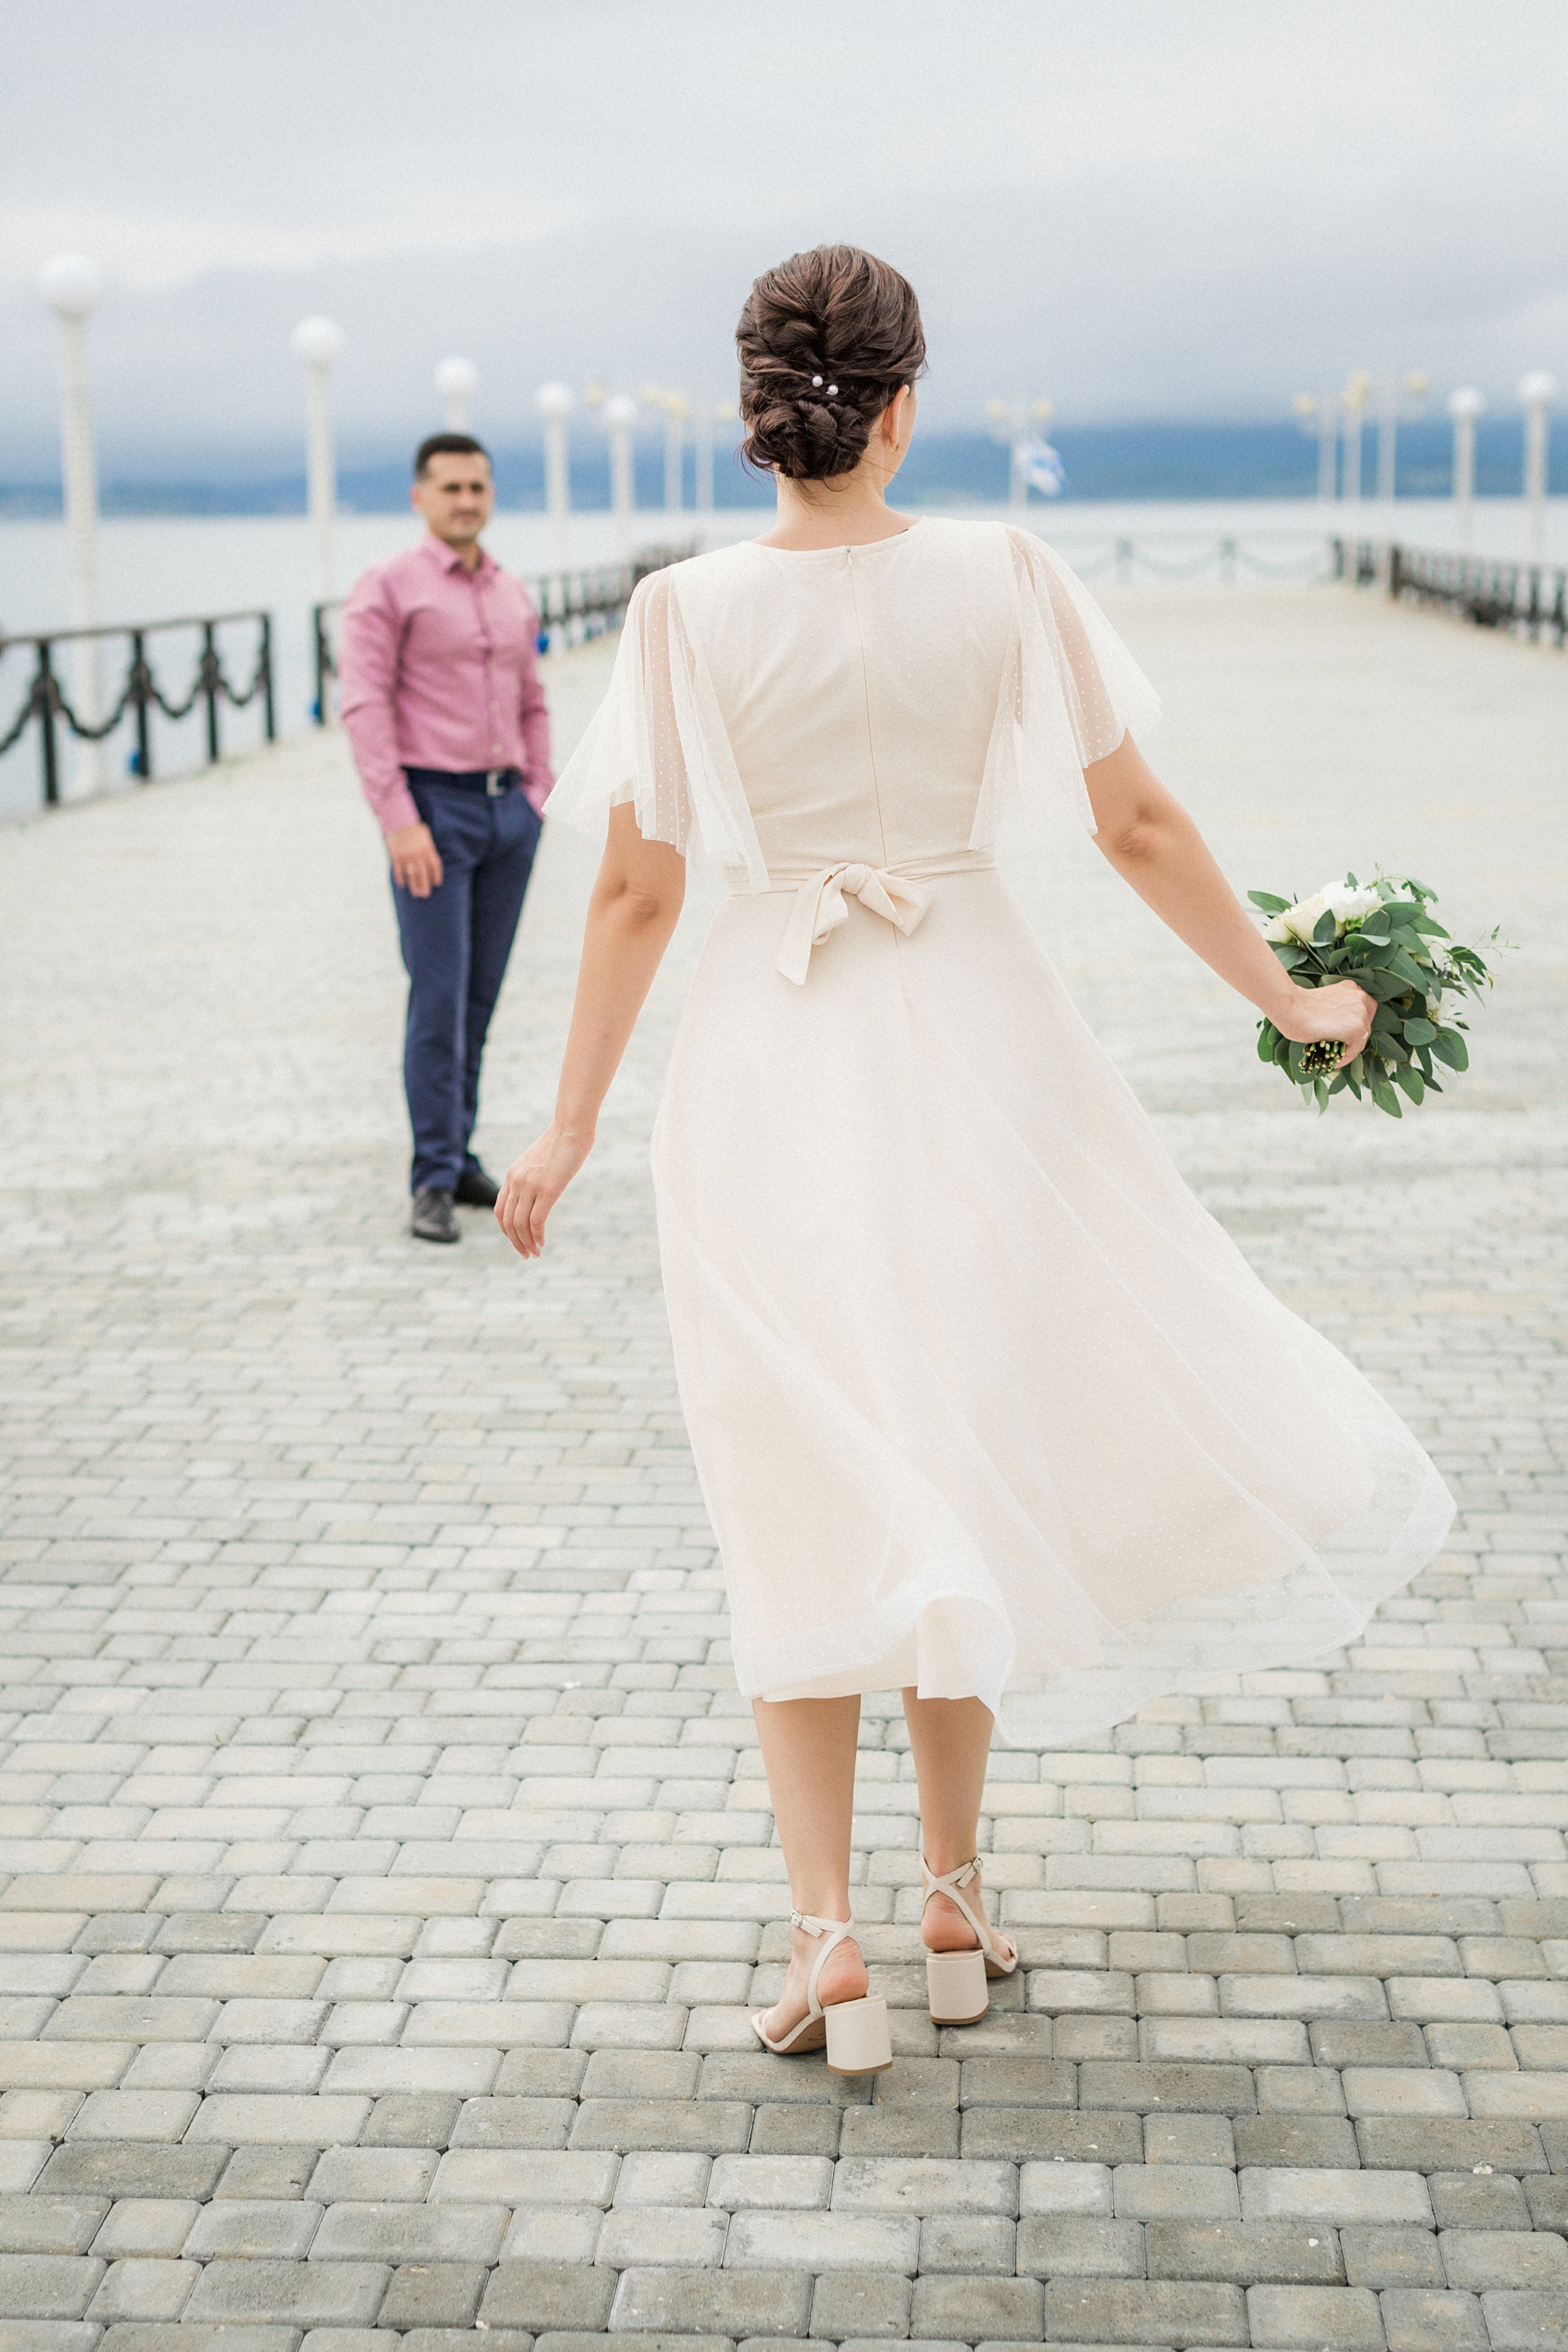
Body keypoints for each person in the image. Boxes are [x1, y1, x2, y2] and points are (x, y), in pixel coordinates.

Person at [493, 246, 1455, 2078]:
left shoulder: (684, 613)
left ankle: (829, 1948)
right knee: (962, 1435)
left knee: (796, 1476)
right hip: (991, 1047)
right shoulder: (1007, 573)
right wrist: (1297, 998)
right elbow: (1140, 824)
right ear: (908, 398)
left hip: (777, 1055)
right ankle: (954, 1897)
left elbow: (634, 888)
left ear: (758, 409)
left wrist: (565, 1125)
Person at [339, 434, 553, 1244]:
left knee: (479, 999)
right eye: (451, 487)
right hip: (432, 812)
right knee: (437, 1000)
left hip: (508, 818)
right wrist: (399, 820)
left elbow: (532, 698)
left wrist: (539, 795)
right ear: (419, 497)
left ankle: (457, 1153)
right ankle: (432, 1178)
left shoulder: (509, 591)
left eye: (478, 486)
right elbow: (365, 706)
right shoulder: (388, 587)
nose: (467, 499)